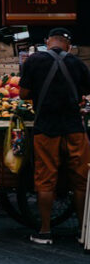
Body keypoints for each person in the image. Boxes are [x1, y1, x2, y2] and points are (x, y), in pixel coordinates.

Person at [18, 28, 90, 245]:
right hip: (74, 128)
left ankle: (45, 231)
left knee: (45, 179)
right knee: (81, 181)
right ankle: (83, 232)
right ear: (68, 44)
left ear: (47, 41)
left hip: (46, 128)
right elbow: (85, 94)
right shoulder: (78, 64)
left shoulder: (33, 61)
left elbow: (23, 94)